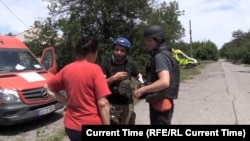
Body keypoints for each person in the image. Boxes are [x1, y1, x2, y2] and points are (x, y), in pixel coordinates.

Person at [44, 37, 111, 141]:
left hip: (71, 126)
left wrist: (67, 102)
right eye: (96, 53)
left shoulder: (66, 69)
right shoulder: (95, 69)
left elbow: (47, 88)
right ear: (91, 53)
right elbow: (103, 103)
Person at [133, 25, 180, 125]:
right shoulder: (166, 54)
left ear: (158, 40)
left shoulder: (160, 57)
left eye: (150, 40)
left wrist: (142, 90)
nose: (147, 43)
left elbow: (164, 82)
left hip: (161, 103)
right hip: (163, 102)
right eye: (146, 40)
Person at [101, 37, 144, 125]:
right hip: (111, 103)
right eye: (117, 50)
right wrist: (114, 78)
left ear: (126, 52)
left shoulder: (130, 64)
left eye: (122, 51)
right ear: (113, 50)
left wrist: (142, 84)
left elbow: (138, 76)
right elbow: (101, 84)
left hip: (127, 104)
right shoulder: (107, 63)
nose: (119, 53)